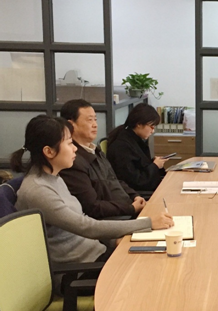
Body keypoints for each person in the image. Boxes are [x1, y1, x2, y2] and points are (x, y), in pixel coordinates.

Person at [12, 115, 173, 290]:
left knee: (160, 258)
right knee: (155, 273)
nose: (75, 148)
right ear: (49, 152)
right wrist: (148, 223)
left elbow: (82, 221)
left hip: (96, 255)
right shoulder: (38, 190)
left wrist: (113, 241)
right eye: (69, 143)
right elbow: (86, 226)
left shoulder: (54, 177)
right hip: (77, 272)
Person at [60, 99, 146, 219]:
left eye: (95, 119)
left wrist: (135, 196)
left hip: (127, 211)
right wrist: (131, 208)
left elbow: (114, 180)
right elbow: (92, 207)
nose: (95, 124)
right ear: (71, 125)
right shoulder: (72, 161)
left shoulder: (96, 151)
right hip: (114, 221)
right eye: (89, 120)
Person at [107, 104, 167, 192]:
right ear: (139, 124)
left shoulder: (134, 139)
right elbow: (135, 181)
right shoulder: (122, 146)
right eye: (151, 126)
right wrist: (155, 166)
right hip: (135, 193)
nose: (153, 131)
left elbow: (140, 166)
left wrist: (154, 163)